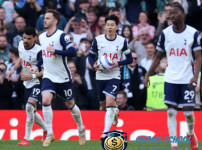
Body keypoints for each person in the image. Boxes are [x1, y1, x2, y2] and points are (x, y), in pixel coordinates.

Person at [144, 3, 201, 150]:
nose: (171, 16)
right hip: (170, 78)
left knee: (188, 114)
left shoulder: (193, 33)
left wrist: (195, 76)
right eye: (170, 14)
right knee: (170, 112)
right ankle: (174, 145)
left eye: (174, 13)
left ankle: (190, 134)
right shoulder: (165, 33)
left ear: (183, 15)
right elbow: (158, 56)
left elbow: (198, 56)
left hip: (187, 78)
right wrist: (148, 73)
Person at [31, 9, 86, 147]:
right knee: (45, 99)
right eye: (44, 18)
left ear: (55, 21)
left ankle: (81, 128)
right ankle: (49, 133)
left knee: (70, 105)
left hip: (63, 77)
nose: (44, 20)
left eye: (48, 18)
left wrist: (56, 51)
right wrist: (37, 66)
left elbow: (73, 51)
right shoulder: (42, 37)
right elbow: (44, 55)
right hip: (48, 76)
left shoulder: (62, 36)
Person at [88, 15, 132, 138]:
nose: (110, 27)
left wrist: (118, 63)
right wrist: (93, 65)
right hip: (100, 75)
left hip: (114, 75)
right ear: (105, 26)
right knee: (102, 106)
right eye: (108, 25)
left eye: (112, 25)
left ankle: (105, 132)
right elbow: (90, 57)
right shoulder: (98, 40)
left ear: (117, 27)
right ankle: (115, 111)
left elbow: (129, 59)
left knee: (109, 102)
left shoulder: (122, 41)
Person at [8, 27, 47, 145]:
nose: (25, 40)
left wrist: (32, 76)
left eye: (28, 39)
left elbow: (44, 71)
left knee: (29, 107)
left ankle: (26, 138)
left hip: (38, 82)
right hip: (27, 83)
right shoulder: (20, 44)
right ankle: (47, 130)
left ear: (34, 38)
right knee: (32, 112)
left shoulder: (39, 51)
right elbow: (21, 58)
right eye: (24, 37)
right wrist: (14, 69)